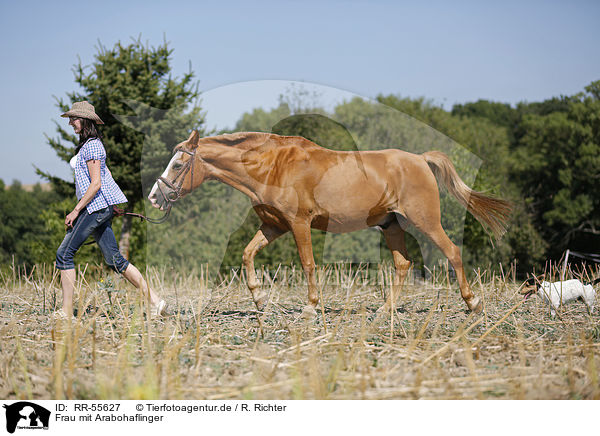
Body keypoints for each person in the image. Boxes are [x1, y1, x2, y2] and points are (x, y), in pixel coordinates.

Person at [54, 101, 166, 319]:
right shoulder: (89, 145)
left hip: (93, 208)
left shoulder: (93, 146)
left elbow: (96, 183)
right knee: (115, 260)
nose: (70, 123)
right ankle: (156, 301)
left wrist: (76, 210)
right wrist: (111, 205)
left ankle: (66, 312)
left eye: (74, 119)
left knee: (64, 254)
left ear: (84, 120)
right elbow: (106, 176)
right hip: (100, 207)